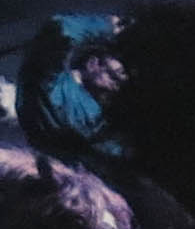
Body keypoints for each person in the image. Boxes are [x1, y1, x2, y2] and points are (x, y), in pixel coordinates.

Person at [15, 11, 131, 167]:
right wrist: (109, 26)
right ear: (93, 64)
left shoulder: (95, 112)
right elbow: (60, 30)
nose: (118, 86)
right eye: (114, 76)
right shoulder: (53, 84)